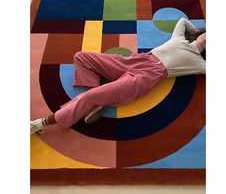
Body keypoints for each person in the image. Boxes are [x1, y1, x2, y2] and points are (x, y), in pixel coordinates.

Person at [30, 18, 206, 134]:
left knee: (89, 97)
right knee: (81, 56)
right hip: (134, 60)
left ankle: (41, 123)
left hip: (146, 77)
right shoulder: (179, 39)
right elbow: (182, 21)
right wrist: (195, 30)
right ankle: (99, 97)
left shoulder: (198, 62)